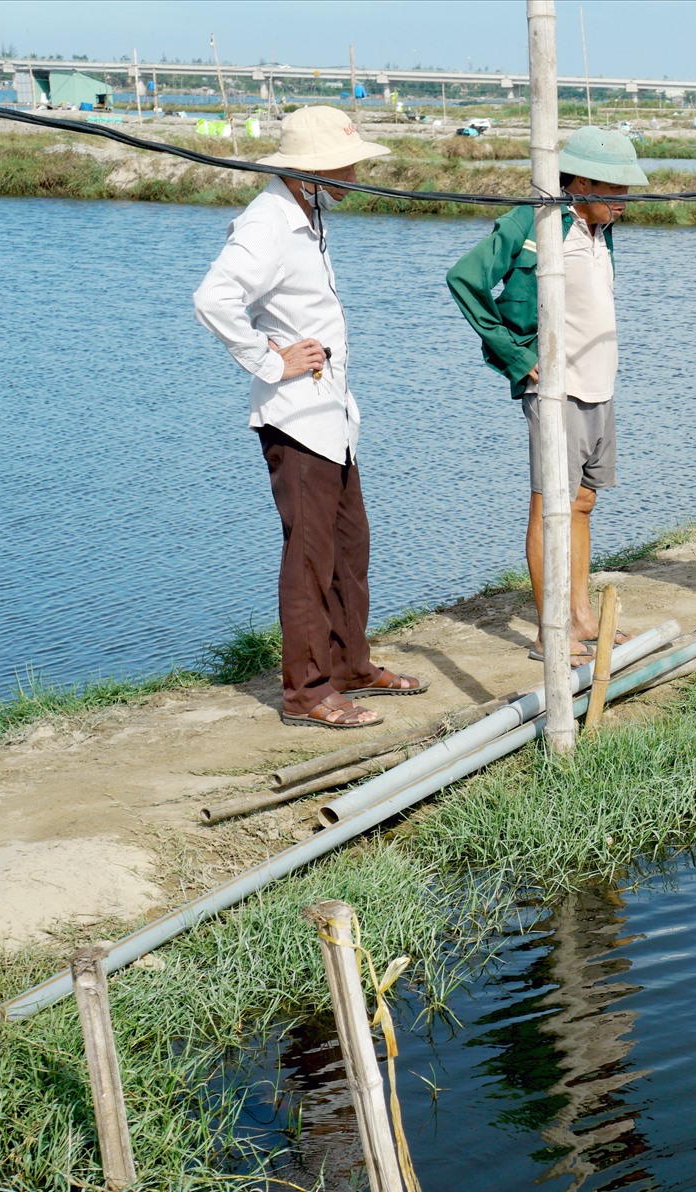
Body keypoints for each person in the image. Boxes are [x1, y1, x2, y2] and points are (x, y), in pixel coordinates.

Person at [193, 106, 424, 729]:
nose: (353, 175)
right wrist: (270, 361)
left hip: (331, 416)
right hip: (296, 420)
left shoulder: (307, 215)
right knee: (309, 558)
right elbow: (213, 299)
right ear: (307, 171)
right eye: (342, 165)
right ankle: (307, 692)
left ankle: (349, 666)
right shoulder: (267, 222)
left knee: (350, 546)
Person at [446, 126, 648, 661]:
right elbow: (465, 278)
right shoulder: (534, 221)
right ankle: (550, 631)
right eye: (615, 189)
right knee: (549, 506)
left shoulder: (600, 228)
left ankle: (581, 618)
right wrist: (517, 356)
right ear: (580, 182)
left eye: (626, 189)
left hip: (601, 384)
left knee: (582, 502)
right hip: (556, 390)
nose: (624, 200)